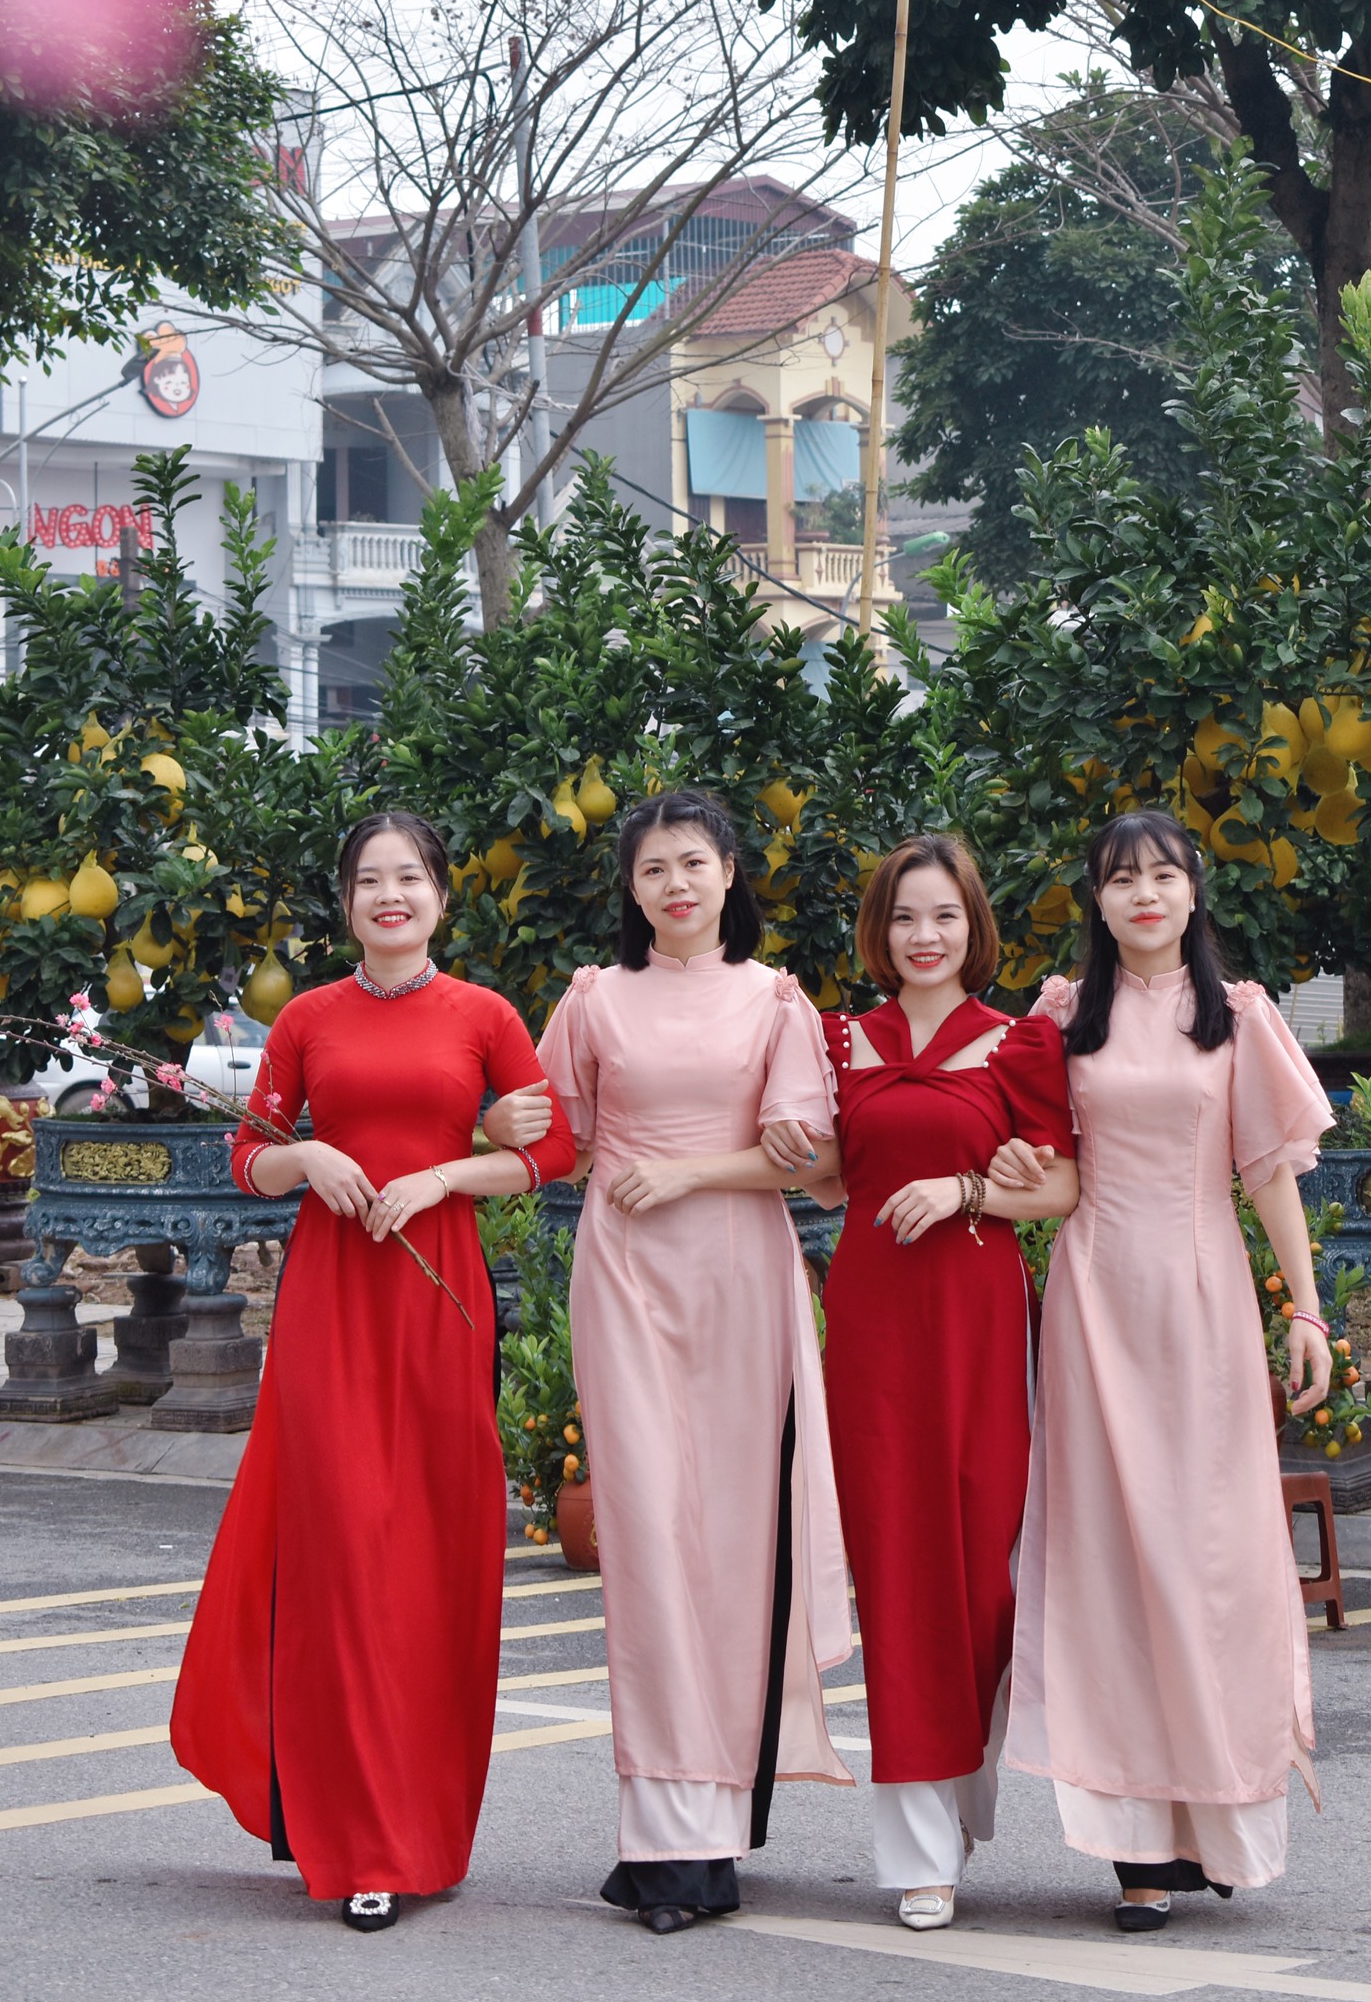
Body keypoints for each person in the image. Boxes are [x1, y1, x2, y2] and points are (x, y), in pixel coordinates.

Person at [170, 811, 575, 1933]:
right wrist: (307, 1153)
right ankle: (354, 1840)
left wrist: (447, 1175)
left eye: (409, 878)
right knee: (344, 1550)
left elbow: (552, 1150)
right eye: (368, 881)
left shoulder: (486, 1015)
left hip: (437, 1300)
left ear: (443, 893)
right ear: (344, 902)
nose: (389, 896)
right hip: (332, 1304)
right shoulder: (305, 1016)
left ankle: (418, 1828)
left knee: (430, 1557)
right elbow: (247, 1155)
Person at [991, 809, 1335, 1933]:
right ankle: (1141, 1847)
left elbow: (1271, 1171)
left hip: (1204, 1306)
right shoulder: (1057, 1017)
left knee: (1214, 1562)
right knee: (1111, 1567)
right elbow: (1031, 1153)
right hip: (1092, 1305)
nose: (1144, 894)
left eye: (1164, 875)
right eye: (1120, 878)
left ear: (1195, 891)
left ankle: (1218, 1816)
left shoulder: (1235, 1018)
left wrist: (1308, 1311)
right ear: (1094, 900)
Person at [535, 788, 853, 1937]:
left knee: (734, 1542)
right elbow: (547, 1137)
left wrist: (684, 1171)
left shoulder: (776, 1001)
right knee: (650, 1543)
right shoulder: (591, 998)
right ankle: (668, 1840)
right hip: (623, 1280)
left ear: (730, 872)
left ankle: (720, 1814)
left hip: (741, 1282)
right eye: (652, 867)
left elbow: (803, 1161)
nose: (674, 882)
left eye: (693, 861)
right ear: (630, 888)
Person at [813, 836, 1078, 1931]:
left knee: (979, 1572)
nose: (926, 937)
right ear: (881, 931)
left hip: (978, 1328)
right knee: (902, 1576)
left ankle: (961, 1774)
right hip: (873, 1329)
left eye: (946, 918)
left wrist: (971, 1184)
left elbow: (1058, 1188)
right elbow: (822, 1169)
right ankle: (919, 1849)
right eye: (906, 918)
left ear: (976, 928)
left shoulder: (1017, 1043)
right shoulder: (838, 1040)